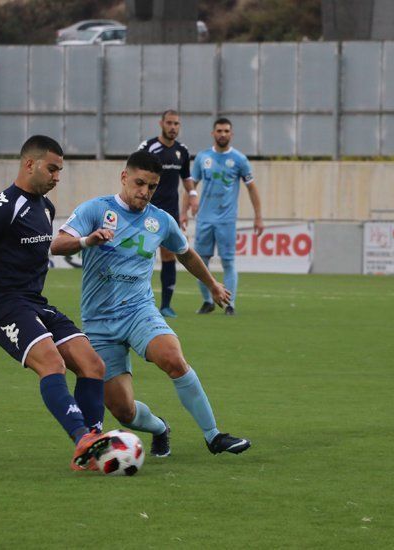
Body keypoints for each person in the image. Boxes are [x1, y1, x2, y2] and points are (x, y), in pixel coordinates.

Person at [51, 150, 251, 458]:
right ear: (124, 177)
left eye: (152, 187)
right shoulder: (95, 210)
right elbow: (57, 243)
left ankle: (214, 436)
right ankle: (160, 428)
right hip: (99, 322)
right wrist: (86, 241)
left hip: (139, 312)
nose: (144, 192)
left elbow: (185, 253)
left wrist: (212, 285)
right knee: (123, 411)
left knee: (173, 357)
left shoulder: (160, 220)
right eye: (139, 183)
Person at [0, 135, 110, 471]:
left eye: (61, 171)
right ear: (30, 164)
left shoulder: (46, 207)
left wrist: (85, 241)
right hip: (2, 306)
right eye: (52, 169)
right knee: (52, 364)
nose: (57, 177)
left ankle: (94, 442)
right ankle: (82, 439)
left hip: (34, 301)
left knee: (93, 365)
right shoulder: (5, 205)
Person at [189, 117, 264, 316]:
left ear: (231, 134)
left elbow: (252, 189)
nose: (223, 134)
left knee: (228, 262)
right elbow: (191, 186)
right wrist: (186, 207)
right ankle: (207, 301)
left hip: (227, 220)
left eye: (226, 131)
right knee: (200, 262)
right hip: (204, 219)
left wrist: (258, 217)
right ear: (213, 133)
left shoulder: (239, 159)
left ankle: (230, 304)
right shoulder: (202, 158)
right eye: (219, 131)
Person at [137, 110, 198, 319]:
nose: (173, 127)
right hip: (144, 210)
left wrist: (192, 194)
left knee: (169, 255)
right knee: (140, 253)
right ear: (161, 123)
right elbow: (134, 171)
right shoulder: (148, 147)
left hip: (168, 212)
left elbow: (186, 177)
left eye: (177, 124)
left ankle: (165, 305)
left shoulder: (182, 151)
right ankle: (133, 300)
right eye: (170, 123)